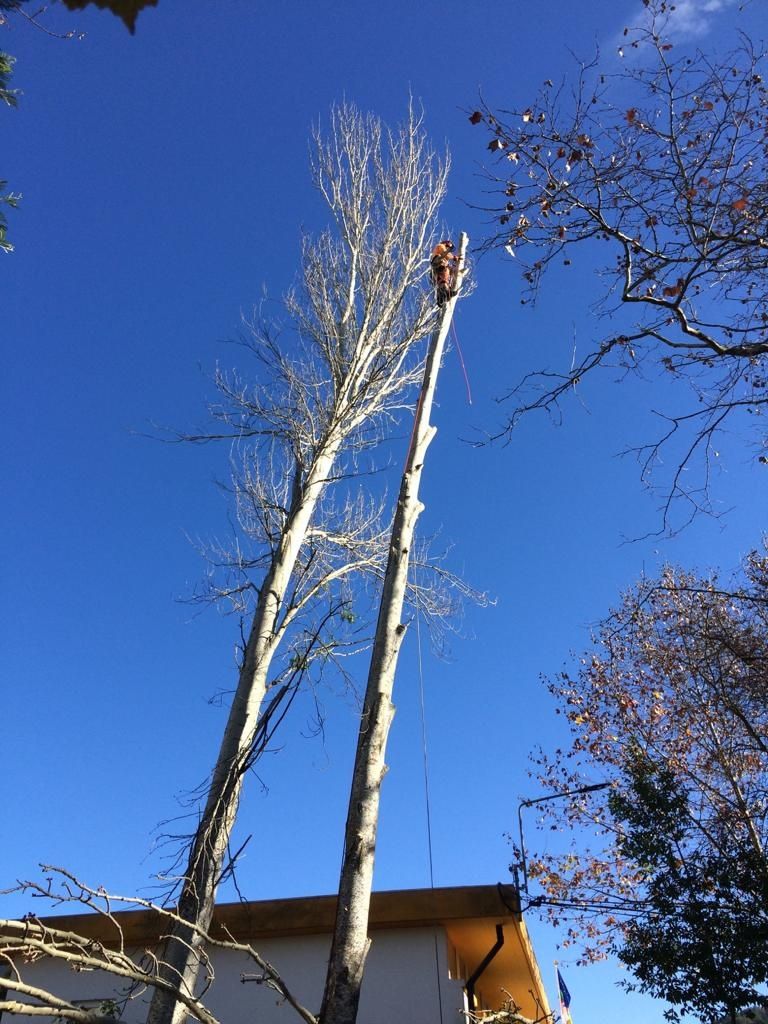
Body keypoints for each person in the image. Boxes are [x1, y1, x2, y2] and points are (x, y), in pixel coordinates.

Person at [430, 239, 458, 307]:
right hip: (437, 262)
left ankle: (441, 297)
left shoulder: (445, 256)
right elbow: (446, 253)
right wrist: (454, 257)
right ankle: (445, 292)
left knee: (444, 278)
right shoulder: (441, 246)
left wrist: (454, 268)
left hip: (438, 268)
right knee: (445, 273)